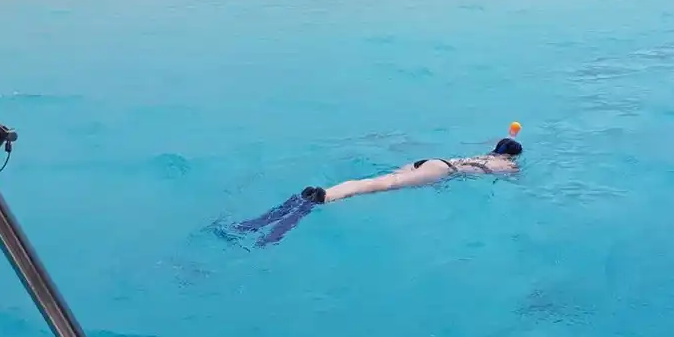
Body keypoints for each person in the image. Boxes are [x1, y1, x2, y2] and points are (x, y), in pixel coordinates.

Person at [219, 123, 524, 248]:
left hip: (432, 161)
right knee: (379, 185)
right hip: (440, 172)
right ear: (512, 156)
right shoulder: (505, 165)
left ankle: (316, 196)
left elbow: (492, 150)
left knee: (382, 180)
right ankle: (323, 197)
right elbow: (508, 173)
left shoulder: (486, 154)